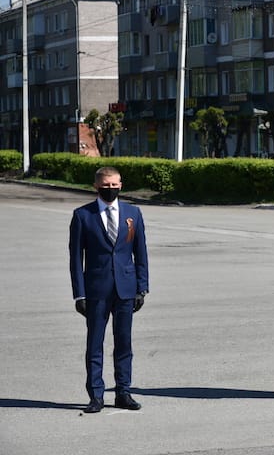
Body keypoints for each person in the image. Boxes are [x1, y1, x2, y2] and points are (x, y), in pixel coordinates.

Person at [69, 166, 149, 413]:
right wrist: (79, 294)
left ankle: (123, 392)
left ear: (121, 185)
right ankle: (96, 395)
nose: (111, 189)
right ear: (96, 186)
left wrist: (142, 288)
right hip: (96, 291)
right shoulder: (83, 216)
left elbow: (141, 252)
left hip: (126, 289)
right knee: (95, 344)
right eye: (106, 185)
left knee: (124, 344)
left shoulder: (133, 213)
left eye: (115, 185)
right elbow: (75, 258)